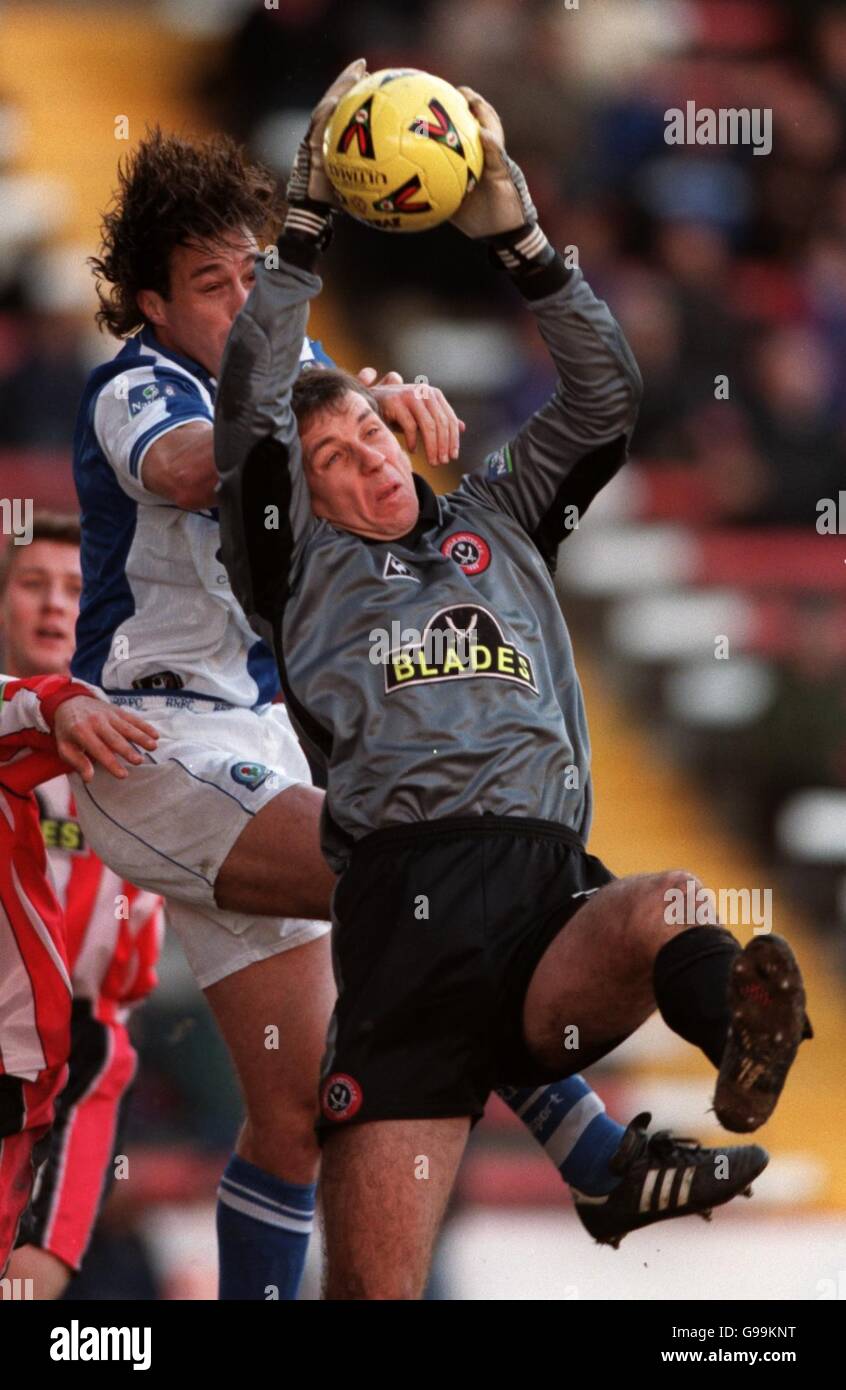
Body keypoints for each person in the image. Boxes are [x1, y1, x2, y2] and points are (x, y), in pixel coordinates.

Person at [67, 63, 767, 1300]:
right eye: (208, 285)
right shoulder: (137, 383)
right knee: (426, 873)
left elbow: (330, 410)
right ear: (147, 304)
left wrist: (392, 391)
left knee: (290, 1113)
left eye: (248, 275)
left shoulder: (379, 445)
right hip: (155, 739)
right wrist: (361, 384)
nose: (238, 304)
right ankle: (591, 1143)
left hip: (268, 744)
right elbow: (208, 462)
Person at [0, 513, 163, 1298]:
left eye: (76, 589)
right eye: (33, 584)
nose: (54, 605)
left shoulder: (150, 743)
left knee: (30, 1279)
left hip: (82, 1046)